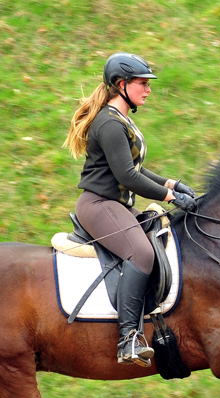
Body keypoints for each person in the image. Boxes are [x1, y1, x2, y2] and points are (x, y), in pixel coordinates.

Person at [64, 52, 197, 366]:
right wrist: (170, 198)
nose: (148, 89)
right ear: (121, 85)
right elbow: (127, 176)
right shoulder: (109, 124)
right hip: (99, 204)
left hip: (115, 204)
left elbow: (135, 167)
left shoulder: (121, 119)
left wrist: (172, 184)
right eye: (142, 83)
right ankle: (128, 339)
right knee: (141, 253)